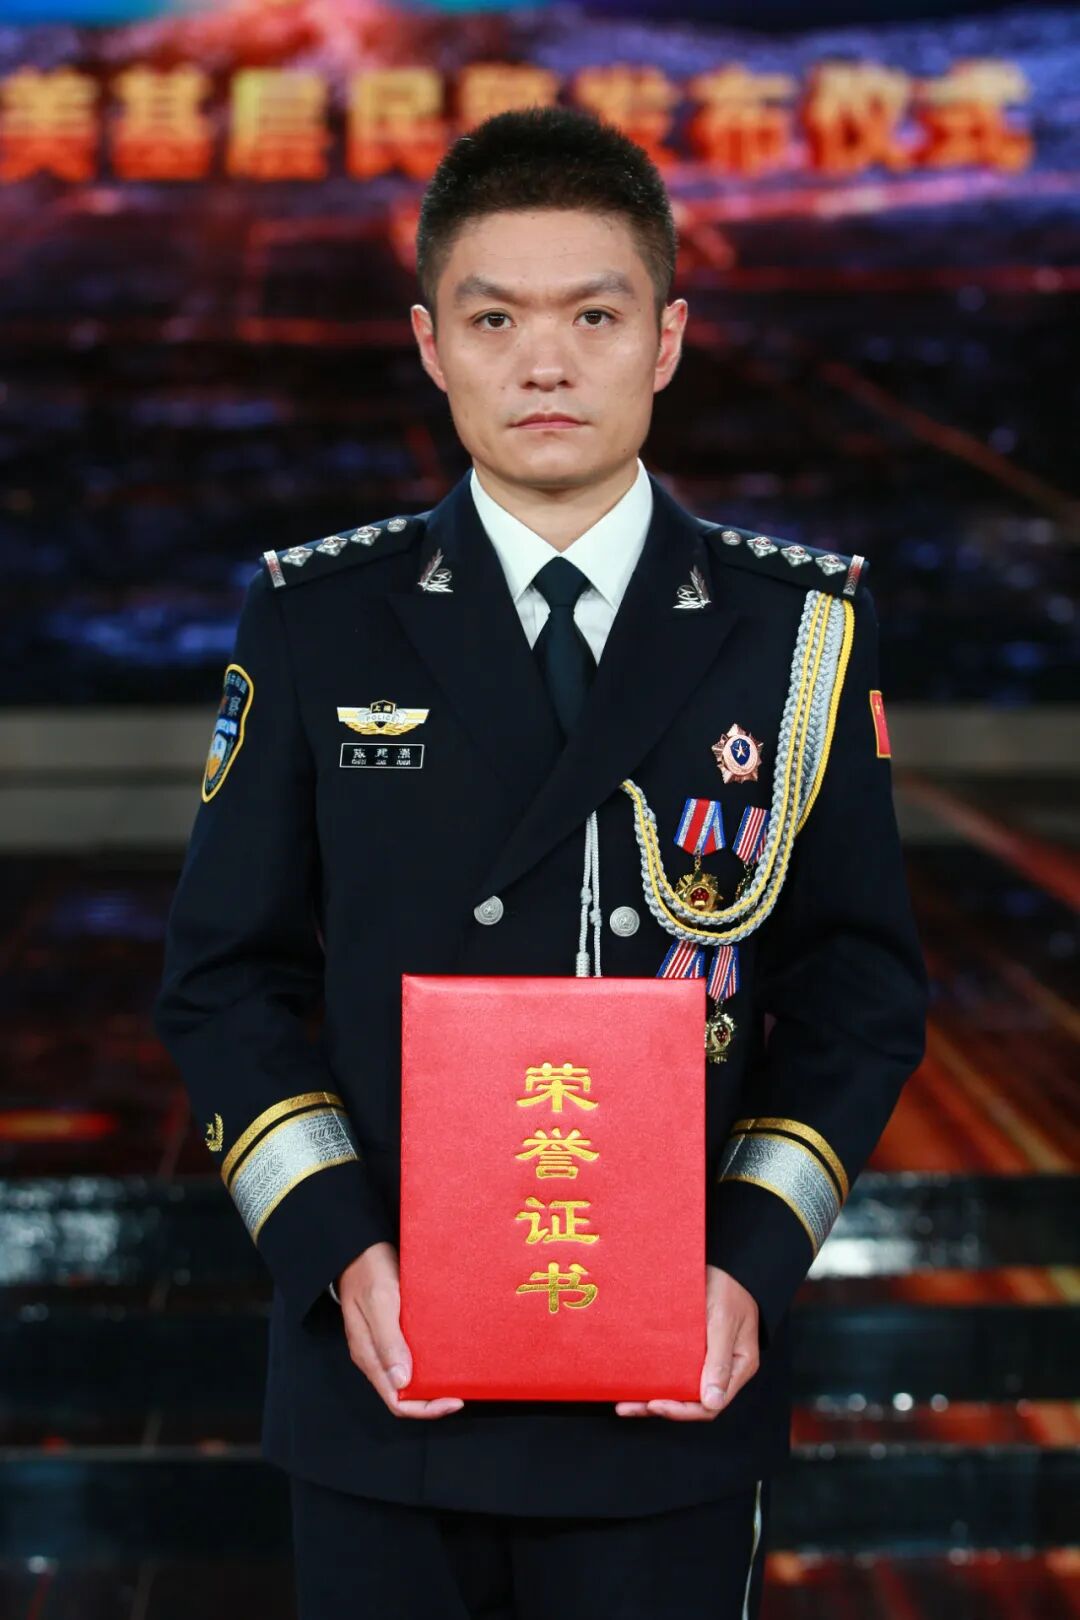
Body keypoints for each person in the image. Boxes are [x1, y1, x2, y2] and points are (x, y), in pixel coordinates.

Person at [153, 106, 928, 1619]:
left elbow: (858, 994)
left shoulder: (795, 633)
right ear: (432, 345)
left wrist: (748, 1259)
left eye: (595, 315)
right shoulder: (321, 620)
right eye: (496, 319)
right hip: (386, 1367)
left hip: (669, 1372)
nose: (546, 364)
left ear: (669, 339)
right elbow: (224, 979)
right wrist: (339, 1250)